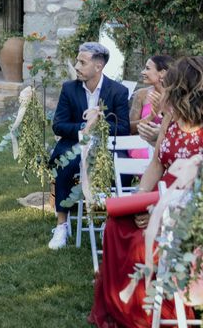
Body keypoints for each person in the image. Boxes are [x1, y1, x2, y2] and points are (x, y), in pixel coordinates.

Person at [88, 56, 203, 327]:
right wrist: (140, 199)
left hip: (189, 208)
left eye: (169, 84)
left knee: (142, 245)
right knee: (116, 225)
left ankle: (151, 315)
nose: (164, 89)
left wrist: (158, 212)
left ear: (183, 90)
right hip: (159, 195)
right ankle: (120, 308)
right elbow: (156, 163)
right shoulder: (170, 121)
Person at [48, 42, 130, 250]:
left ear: (98, 66)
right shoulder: (69, 89)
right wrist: (85, 127)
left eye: (82, 62)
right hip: (75, 144)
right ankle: (62, 225)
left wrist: (99, 125)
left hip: (105, 147)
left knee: (120, 167)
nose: (76, 66)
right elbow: (58, 125)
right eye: (77, 60)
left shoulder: (118, 91)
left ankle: (107, 222)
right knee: (63, 164)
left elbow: (123, 128)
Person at [128, 55, 173, 157]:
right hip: (141, 144)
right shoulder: (141, 94)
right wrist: (151, 116)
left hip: (167, 144)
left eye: (147, 69)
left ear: (162, 73)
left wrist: (165, 112)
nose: (142, 72)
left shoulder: (176, 97)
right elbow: (129, 128)